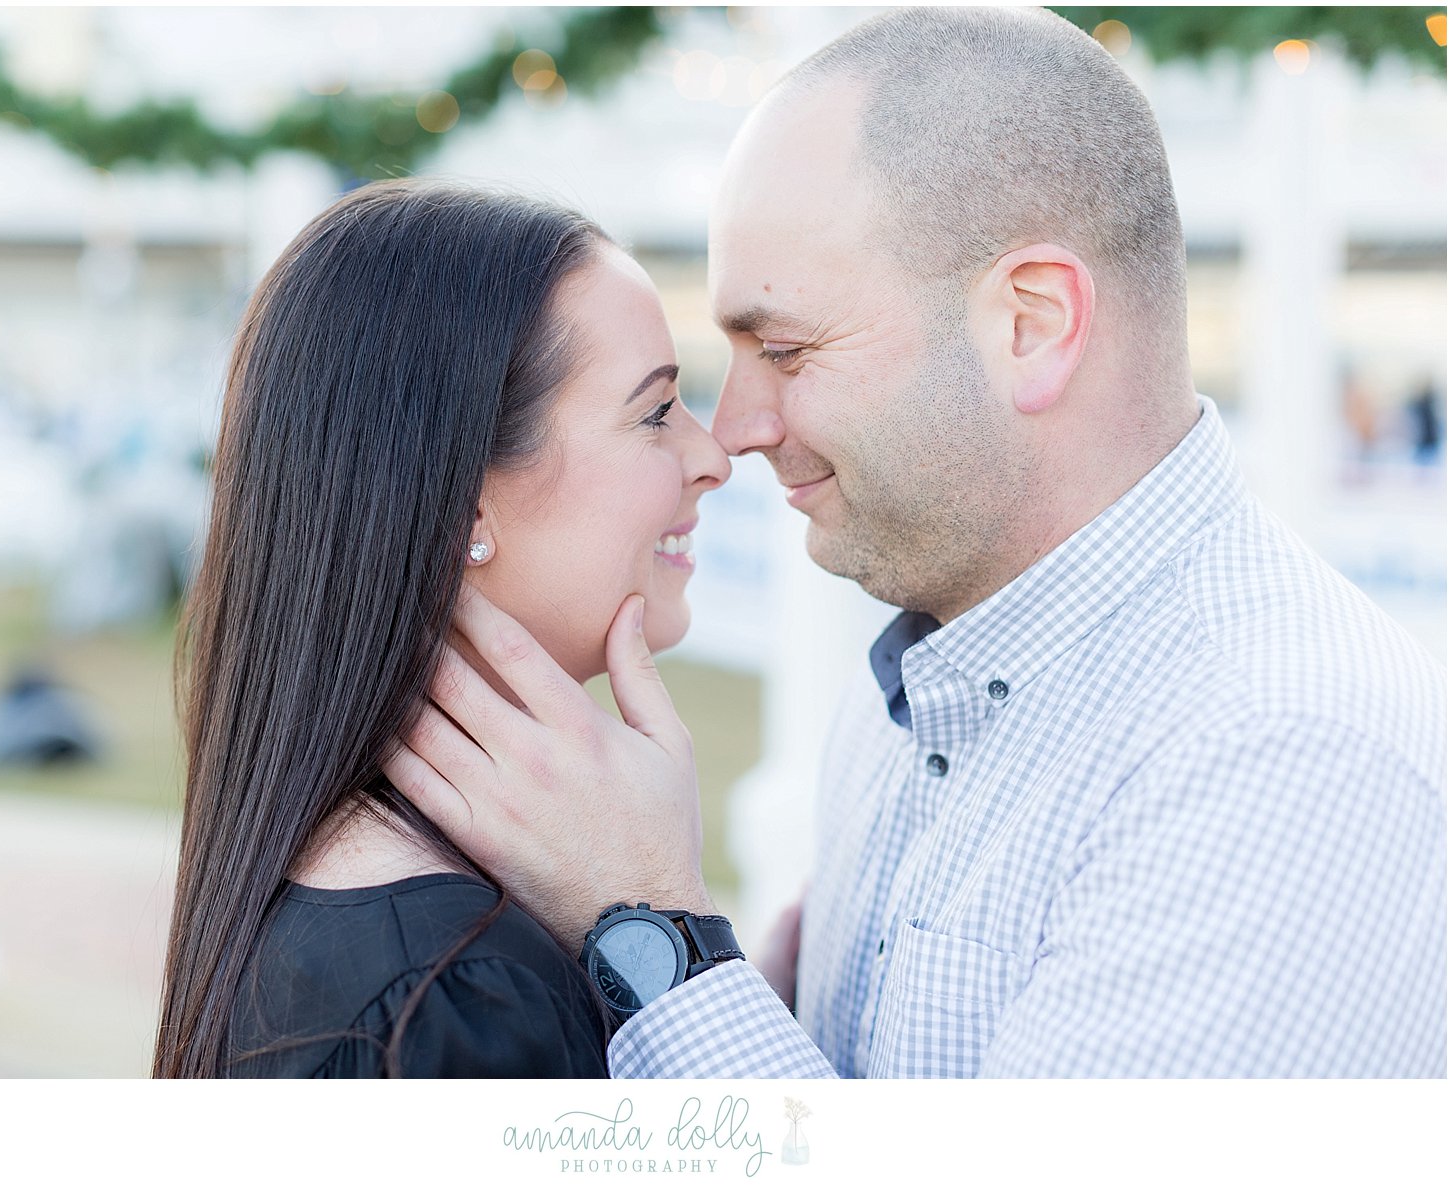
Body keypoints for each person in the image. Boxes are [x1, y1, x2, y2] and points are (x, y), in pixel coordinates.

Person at [389, 8, 1447, 1077]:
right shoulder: (914, 679)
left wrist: (651, 921)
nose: (736, 427)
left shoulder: (1274, 751)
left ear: (1030, 323)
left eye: (786, 349)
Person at [153, 179, 730, 1077]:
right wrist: (666, 916)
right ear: (466, 502)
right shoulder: (457, 1001)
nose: (713, 457)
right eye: (655, 412)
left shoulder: (401, 916)